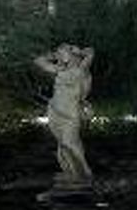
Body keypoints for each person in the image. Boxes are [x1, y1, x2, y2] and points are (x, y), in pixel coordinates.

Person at [33, 43, 95, 187]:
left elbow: (91, 52)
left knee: (70, 142)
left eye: (63, 53)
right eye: (59, 54)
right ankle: (71, 172)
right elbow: (38, 61)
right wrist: (53, 55)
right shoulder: (59, 69)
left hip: (70, 114)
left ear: (72, 55)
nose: (61, 56)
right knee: (62, 145)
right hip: (55, 111)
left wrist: (78, 51)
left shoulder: (81, 69)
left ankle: (85, 172)